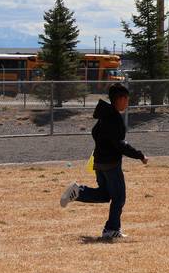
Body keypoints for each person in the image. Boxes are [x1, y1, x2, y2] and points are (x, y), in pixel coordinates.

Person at [60, 82, 148, 240]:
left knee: (105, 194)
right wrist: (139, 155)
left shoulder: (104, 115)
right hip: (110, 164)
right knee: (119, 197)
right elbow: (120, 144)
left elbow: (96, 133)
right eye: (126, 99)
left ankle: (79, 192)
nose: (127, 103)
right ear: (119, 99)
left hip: (99, 162)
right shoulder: (114, 118)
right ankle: (111, 229)